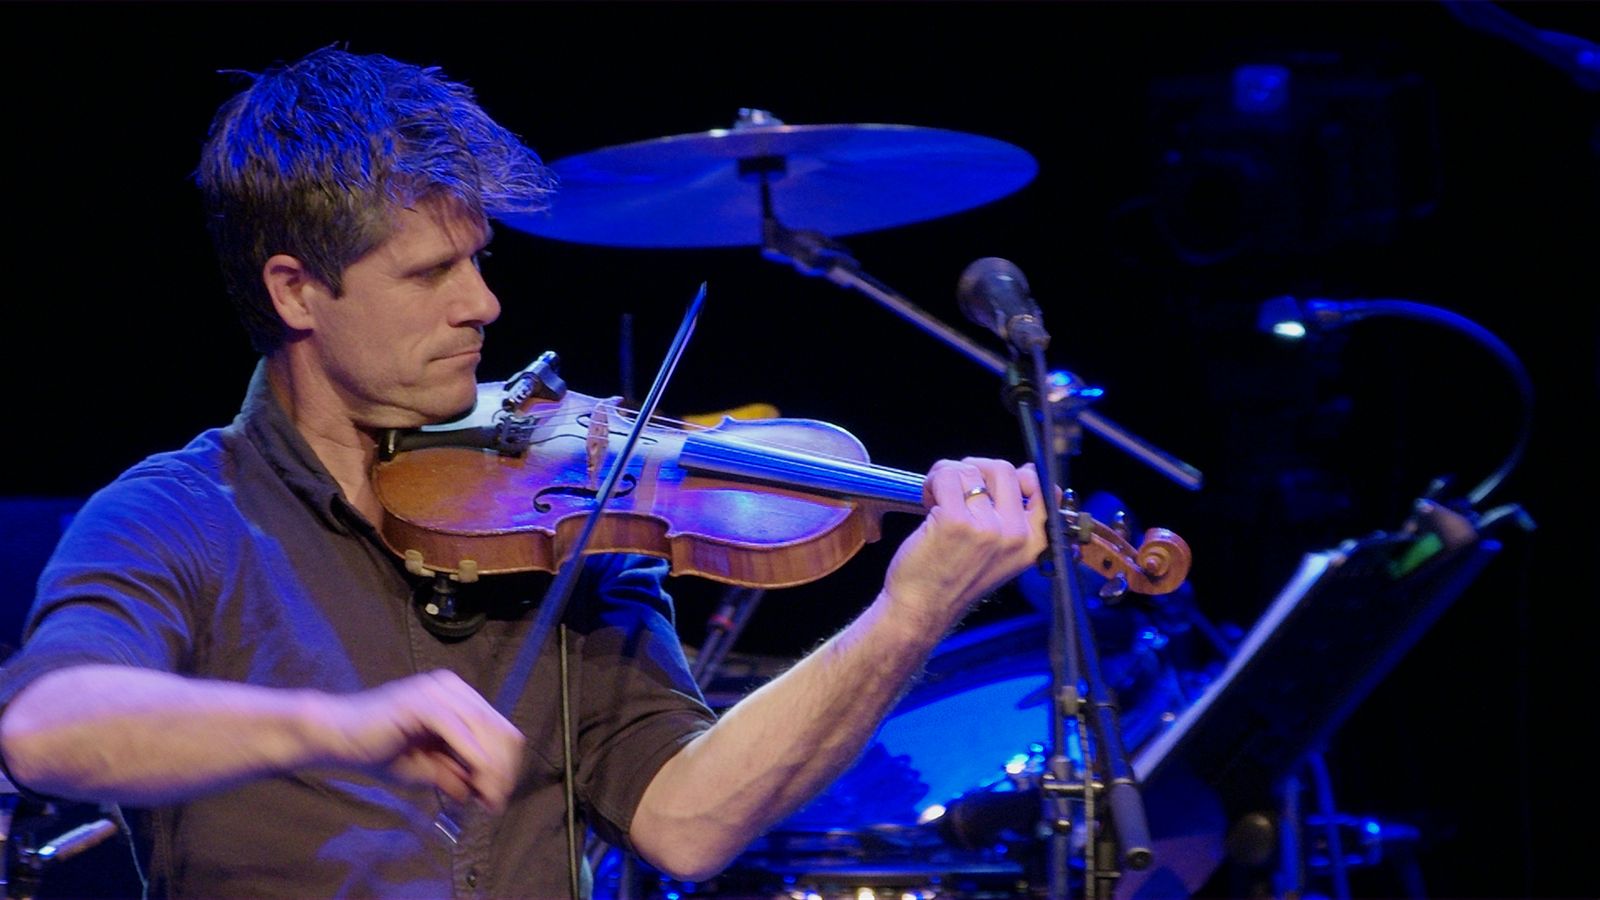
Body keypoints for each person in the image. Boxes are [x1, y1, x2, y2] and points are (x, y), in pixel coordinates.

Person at [0, 46, 1048, 898]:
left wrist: (908, 613)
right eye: (429, 272)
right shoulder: (181, 513)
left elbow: (684, 824)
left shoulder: (564, 509)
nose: (483, 305)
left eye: (478, 260)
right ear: (295, 292)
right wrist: (339, 725)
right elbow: (47, 727)